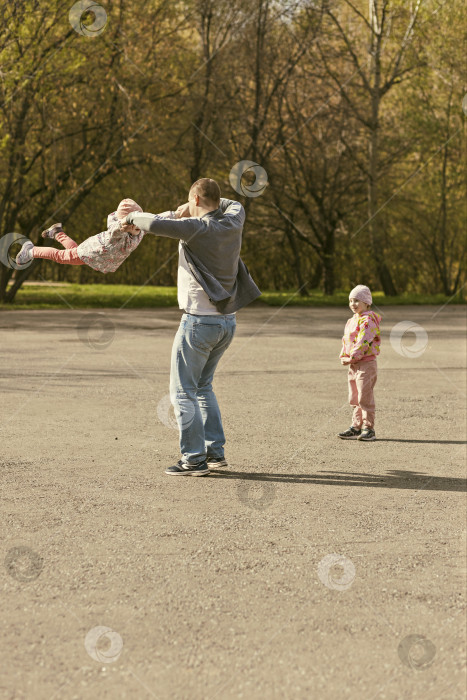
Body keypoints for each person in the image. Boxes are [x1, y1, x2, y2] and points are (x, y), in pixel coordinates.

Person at [122, 177, 261, 476]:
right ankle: (215, 454)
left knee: (182, 391)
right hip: (227, 322)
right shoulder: (234, 220)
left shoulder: (196, 228)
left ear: (195, 200)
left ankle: (194, 459)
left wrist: (130, 217)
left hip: (198, 322)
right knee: (203, 388)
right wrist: (194, 204)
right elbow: (233, 203)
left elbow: (153, 224)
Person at [15, 199, 144, 273]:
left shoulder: (140, 231)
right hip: (92, 252)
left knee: (73, 251)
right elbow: (117, 229)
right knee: (60, 256)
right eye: (135, 224)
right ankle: (31, 250)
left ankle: (57, 232)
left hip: (95, 255)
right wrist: (124, 223)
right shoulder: (117, 233)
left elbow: (157, 219)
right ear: (126, 225)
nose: (139, 228)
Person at [338, 285, 381, 442]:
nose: (353, 304)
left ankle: (369, 428)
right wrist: (344, 355)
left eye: (357, 300)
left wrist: (353, 357)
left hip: (366, 364)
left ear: (367, 302)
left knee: (365, 396)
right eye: (350, 301)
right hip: (353, 364)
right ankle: (356, 426)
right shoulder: (351, 320)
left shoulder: (369, 320)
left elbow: (363, 341)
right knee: (354, 396)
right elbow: (346, 340)